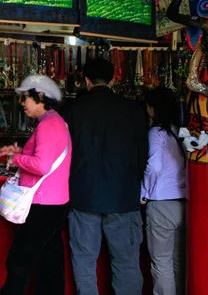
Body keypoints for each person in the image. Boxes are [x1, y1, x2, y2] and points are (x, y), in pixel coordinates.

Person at [63, 58, 148, 295]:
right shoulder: (133, 110)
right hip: (123, 196)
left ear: (86, 81)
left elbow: (63, 153)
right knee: (126, 263)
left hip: (83, 196)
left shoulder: (74, 110)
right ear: (113, 79)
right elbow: (143, 155)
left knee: (84, 262)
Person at [0, 75, 72, 295]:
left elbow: (41, 165)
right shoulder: (56, 122)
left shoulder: (48, 125)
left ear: (40, 96)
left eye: (25, 98)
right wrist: (20, 152)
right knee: (49, 261)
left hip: (42, 204)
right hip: (54, 203)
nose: (22, 104)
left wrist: (16, 159)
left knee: (19, 261)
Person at [142, 87, 186, 295]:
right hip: (183, 202)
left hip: (161, 203)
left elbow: (154, 166)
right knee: (179, 260)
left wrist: (144, 191)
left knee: (161, 262)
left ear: (153, 108)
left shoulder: (156, 133)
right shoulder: (180, 132)